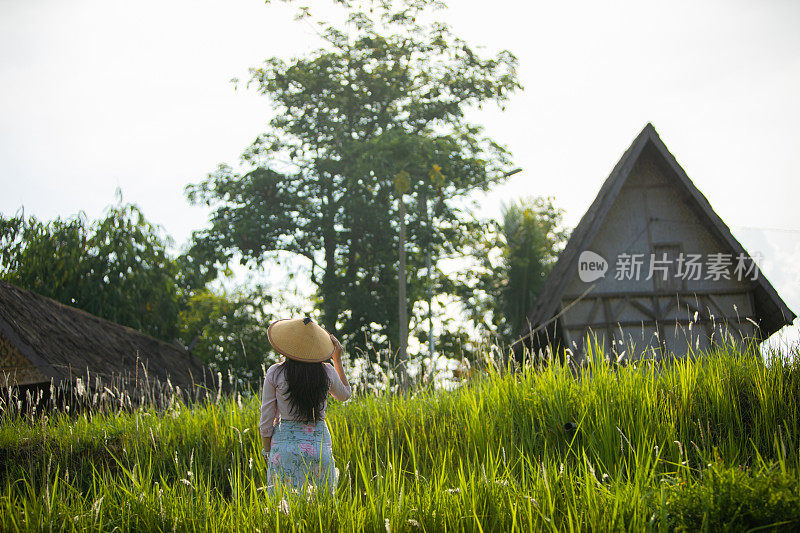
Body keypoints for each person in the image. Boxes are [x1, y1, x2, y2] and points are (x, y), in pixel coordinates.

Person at [259, 316, 352, 498]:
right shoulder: (327, 371)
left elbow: (266, 421)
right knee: (321, 511)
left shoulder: (275, 372)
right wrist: (337, 360)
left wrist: (268, 452)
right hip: (319, 448)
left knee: (283, 511)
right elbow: (345, 395)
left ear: (287, 345)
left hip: (283, 449)